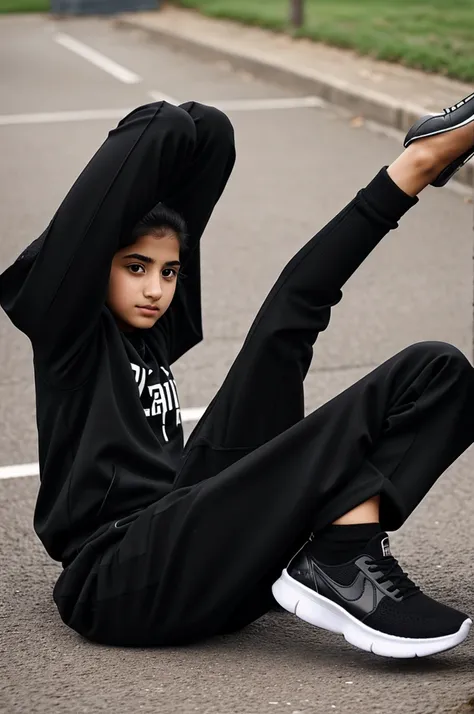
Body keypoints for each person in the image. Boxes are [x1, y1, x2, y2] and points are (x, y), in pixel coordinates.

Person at [1, 95, 474, 660]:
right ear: (93, 266)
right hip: (118, 580)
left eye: (169, 271)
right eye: (135, 268)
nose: (156, 289)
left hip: (208, 551)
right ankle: (345, 560)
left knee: (437, 370)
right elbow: (163, 130)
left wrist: (206, 133)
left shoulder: (152, 337)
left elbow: (213, 145)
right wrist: (186, 126)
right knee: (186, 126)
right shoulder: (68, 334)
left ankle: (340, 553)